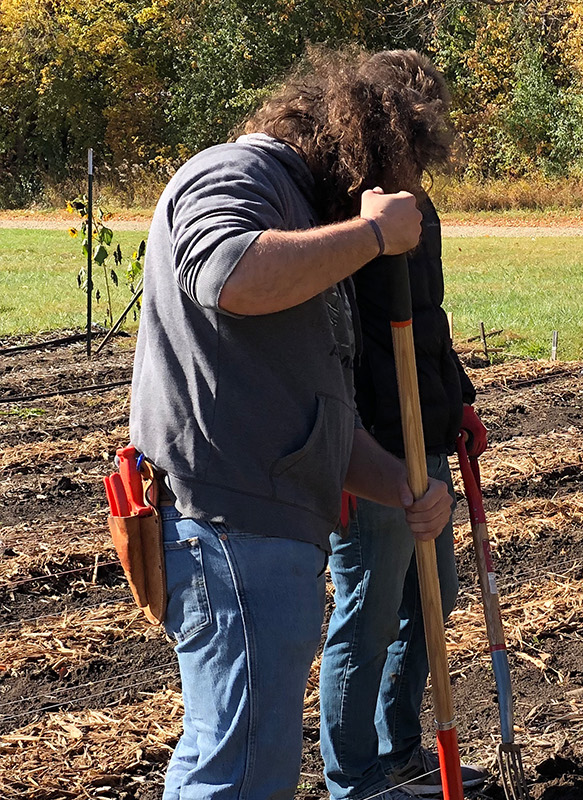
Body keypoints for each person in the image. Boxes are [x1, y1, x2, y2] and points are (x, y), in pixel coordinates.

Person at [129, 48, 453, 800]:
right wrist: (371, 235)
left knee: (245, 762)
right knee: (237, 773)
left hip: (263, 532)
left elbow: (318, 418)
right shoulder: (237, 175)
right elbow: (229, 273)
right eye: (396, 174)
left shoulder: (304, 223)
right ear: (365, 153)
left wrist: (403, 488)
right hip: (228, 529)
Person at [318, 51, 488, 799]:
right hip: (369, 445)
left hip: (425, 436)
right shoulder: (337, 213)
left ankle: (399, 747)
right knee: (368, 612)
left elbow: (429, 325)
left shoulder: (421, 212)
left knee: (433, 596)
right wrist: (343, 454)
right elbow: (326, 345)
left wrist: (460, 402)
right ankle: (355, 780)